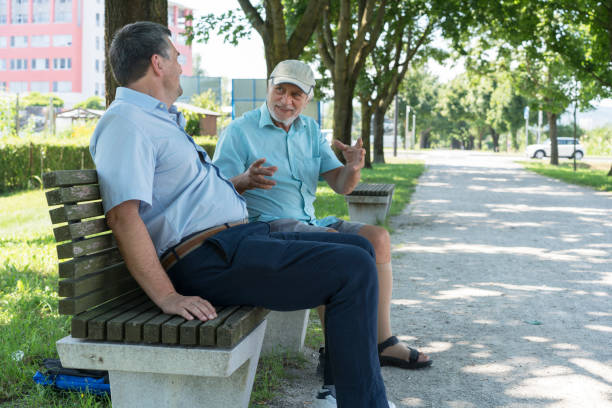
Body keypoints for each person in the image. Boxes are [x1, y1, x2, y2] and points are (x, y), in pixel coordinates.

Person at [90, 22, 395, 408]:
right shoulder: (126, 122)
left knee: (361, 248)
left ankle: (348, 392)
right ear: (158, 63)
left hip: (234, 240)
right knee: (353, 267)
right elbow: (122, 216)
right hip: (208, 256)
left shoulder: (156, 119)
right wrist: (167, 296)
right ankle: (362, 402)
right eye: (177, 56)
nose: (182, 65)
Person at [213, 59, 432, 373]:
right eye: (280, 90)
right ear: (269, 87)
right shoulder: (238, 131)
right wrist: (244, 181)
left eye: (295, 95)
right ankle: (337, 356)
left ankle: (383, 343)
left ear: (307, 98)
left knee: (378, 238)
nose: (285, 101)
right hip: (265, 229)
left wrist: (353, 168)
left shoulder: (311, 130)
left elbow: (341, 186)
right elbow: (216, 191)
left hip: (309, 222)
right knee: (333, 248)